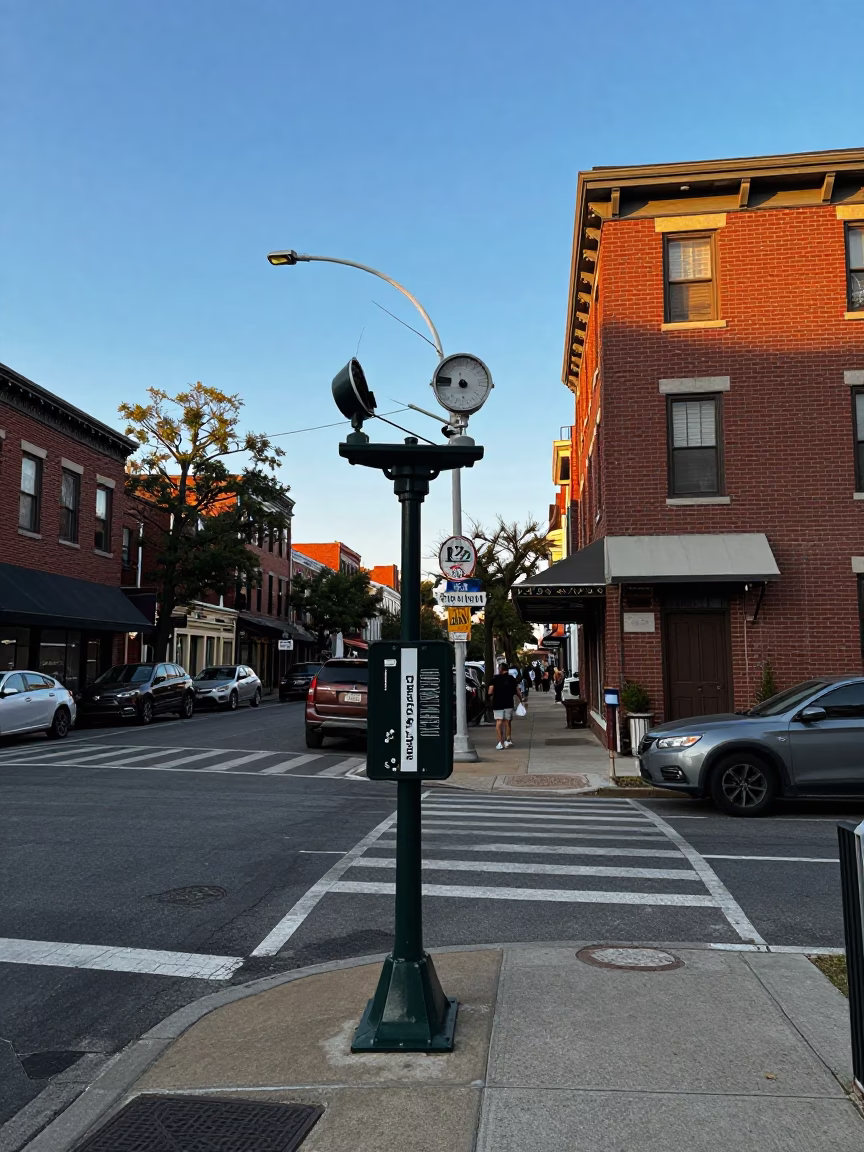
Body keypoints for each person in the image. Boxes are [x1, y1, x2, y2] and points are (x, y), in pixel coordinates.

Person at [488, 661, 522, 749]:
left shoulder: (494, 679)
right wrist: (521, 700)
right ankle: (508, 740)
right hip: (508, 703)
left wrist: (490, 696)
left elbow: (490, 691)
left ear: (500, 669)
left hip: (498, 703)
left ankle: (500, 742)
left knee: (499, 722)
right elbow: (517, 691)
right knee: (508, 722)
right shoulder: (511, 679)